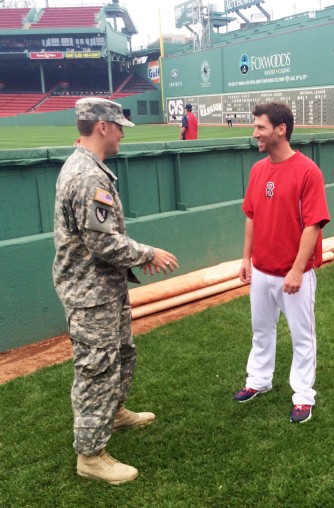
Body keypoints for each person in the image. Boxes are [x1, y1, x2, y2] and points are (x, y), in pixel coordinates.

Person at [53, 98, 179, 485]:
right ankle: (90, 456)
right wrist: (148, 253)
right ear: (102, 126)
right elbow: (104, 244)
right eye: (119, 125)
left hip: (103, 289)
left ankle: (115, 412)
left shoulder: (87, 166)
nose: (123, 133)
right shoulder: (87, 176)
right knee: (97, 368)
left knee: (121, 353)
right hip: (90, 295)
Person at [233, 101, 330, 424]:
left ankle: (303, 396)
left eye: (260, 127)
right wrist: (246, 258)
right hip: (261, 269)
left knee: (302, 337)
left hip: (293, 274)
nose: (255, 133)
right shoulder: (258, 169)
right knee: (261, 331)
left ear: (281, 129)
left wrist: (297, 270)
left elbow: (313, 225)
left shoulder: (308, 171)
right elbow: (251, 216)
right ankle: (258, 380)